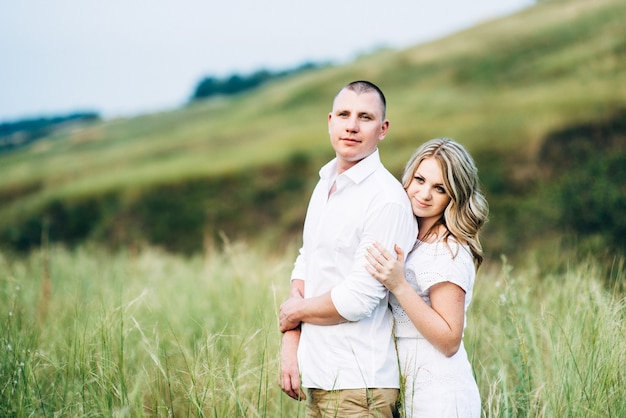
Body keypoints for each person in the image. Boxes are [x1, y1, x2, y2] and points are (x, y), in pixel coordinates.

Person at [278, 80, 418, 417]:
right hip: (318, 377)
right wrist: (291, 339)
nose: (352, 126)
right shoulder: (326, 181)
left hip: (360, 387)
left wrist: (293, 314)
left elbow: (358, 300)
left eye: (365, 117)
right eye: (344, 114)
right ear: (330, 121)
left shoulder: (385, 200)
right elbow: (306, 260)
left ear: (382, 129)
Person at [365, 137, 489, 417]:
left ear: (455, 196)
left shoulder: (448, 249)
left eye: (439, 188)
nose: (424, 194)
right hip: (408, 384)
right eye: (419, 180)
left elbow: (449, 340)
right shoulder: (411, 236)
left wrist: (399, 285)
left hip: (440, 395)